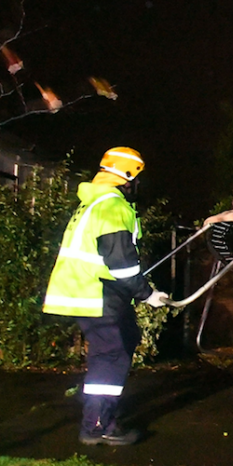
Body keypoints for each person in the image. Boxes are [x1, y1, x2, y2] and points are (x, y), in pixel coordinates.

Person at [43, 147, 168, 446]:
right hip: (97, 291)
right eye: (138, 178)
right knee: (111, 356)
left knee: (120, 344)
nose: (139, 185)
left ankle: (98, 417)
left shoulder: (94, 201)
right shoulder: (113, 206)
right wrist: (147, 294)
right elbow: (121, 265)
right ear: (127, 177)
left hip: (86, 290)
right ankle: (98, 425)